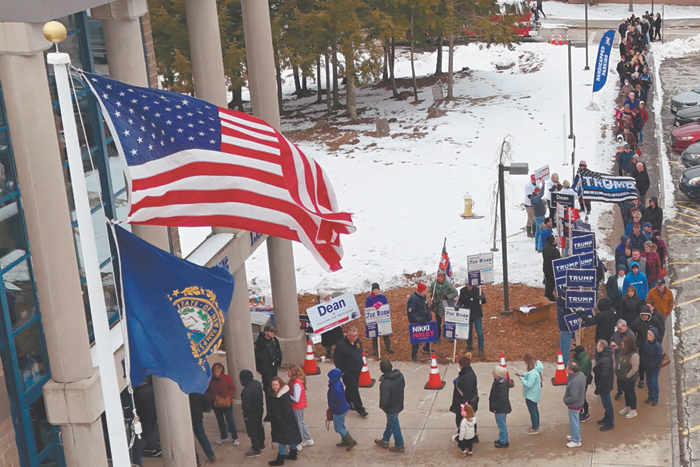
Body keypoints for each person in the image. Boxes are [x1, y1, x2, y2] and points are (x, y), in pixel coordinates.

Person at [267, 377, 302, 465]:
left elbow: (286, 410)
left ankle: (280, 459)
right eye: (273, 385)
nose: (275, 387)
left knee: (281, 440)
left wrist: (280, 421)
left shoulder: (282, 396)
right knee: (291, 437)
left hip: (282, 422)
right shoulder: (282, 394)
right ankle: (293, 454)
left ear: (280, 384)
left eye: (276, 385)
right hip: (287, 421)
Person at [333, 327, 368, 417]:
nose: (355, 337)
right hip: (348, 372)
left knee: (351, 388)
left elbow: (360, 352)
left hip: (357, 370)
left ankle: (345, 401)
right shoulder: (341, 345)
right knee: (354, 389)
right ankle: (360, 409)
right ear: (347, 335)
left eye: (356, 335)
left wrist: (361, 363)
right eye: (352, 336)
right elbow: (337, 359)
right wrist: (342, 371)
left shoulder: (357, 342)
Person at [374, 360, 405, 453]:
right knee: (391, 423)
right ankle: (385, 440)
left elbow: (384, 399)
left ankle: (399, 445)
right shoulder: (400, 376)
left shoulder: (385, 383)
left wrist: (382, 407)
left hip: (391, 407)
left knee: (394, 425)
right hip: (399, 404)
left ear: (381, 370)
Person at [205, 362, 239, 446]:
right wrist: (213, 398)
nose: (217, 374)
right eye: (215, 372)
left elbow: (232, 388)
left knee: (230, 420)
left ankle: (235, 437)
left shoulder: (226, 378)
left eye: (218, 372)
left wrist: (228, 396)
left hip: (227, 403)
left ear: (221, 371)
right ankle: (224, 436)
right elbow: (207, 390)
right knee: (220, 421)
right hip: (216, 404)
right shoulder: (210, 380)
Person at [255, 324, 282, 420]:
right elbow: (257, 355)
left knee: (275, 387)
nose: (273, 333)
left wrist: (278, 361)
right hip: (266, 370)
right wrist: (266, 360)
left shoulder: (275, 340)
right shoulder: (260, 342)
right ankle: (269, 411)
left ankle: (275, 409)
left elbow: (278, 351)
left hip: (274, 368)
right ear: (266, 332)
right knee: (268, 390)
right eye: (271, 332)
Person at [327, 368, 357, 451]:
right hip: (342, 408)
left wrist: (333, 408)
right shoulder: (338, 384)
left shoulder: (334, 388)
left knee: (338, 427)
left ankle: (350, 441)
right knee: (341, 425)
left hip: (338, 410)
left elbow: (338, 399)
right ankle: (345, 440)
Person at [240, 369, 266, 458]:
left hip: (251, 414)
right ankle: (261, 444)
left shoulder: (246, 391)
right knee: (259, 426)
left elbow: (246, 406)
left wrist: (245, 416)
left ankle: (256, 449)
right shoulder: (257, 383)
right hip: (259, 409)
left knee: (252, 431)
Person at [456, 283, 486, 356]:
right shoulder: (463, 291)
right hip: (467, 314)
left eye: (471, 284)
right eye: (468, 284)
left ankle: (481, 348)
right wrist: (458, 305)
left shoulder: (478, 290)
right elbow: (461, 301)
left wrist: (482, 298)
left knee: (479, 332)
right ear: (466, 285)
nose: (470, 286)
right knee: (468, 331)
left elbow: (484, 301)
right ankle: (469, 346)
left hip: (477, 314)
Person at [450, 355, 479, 431]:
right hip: (468, 402)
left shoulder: (466, 377)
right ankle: (473, 434)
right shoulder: (469, 373)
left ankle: (463, 436)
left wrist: (464, 405)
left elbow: (467, 393)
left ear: (462, 365)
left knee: (462, 420)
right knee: (470, 418)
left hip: (464, 404)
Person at [287, 365, 313, 448]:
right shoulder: (297, 382)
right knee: (301, 423)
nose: (287, 373)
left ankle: (303, 440)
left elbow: (296, 399)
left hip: (297, 406)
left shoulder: (296, 384)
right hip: (299, 406)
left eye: (289, 371)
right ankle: (308, 438)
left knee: (299, 424)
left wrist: (287, 395)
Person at [517, 353, 543, 434]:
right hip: (535, 395)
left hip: (531, 395)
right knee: (535, 410)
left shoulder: (532, 373)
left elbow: (528, 385)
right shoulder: (535, 370)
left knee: (532, 411)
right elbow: (530, 376)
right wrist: (524, 375)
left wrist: (521, 379)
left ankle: (534, 428)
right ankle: (536, 425)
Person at [407, 282, 432, 362]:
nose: (427, 292)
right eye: (425, 290)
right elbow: (411, 313)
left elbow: (426, 307)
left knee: (428, 335)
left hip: (425, 320)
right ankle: (413, 355)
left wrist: (429, 315)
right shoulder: (413, 299)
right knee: (416, 340)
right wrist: (418, 320)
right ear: (421, 291)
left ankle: (427, 348)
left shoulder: (423, 297)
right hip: (417, 322)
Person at [593, 340, 615, 431]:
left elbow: (604, 375)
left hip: (604, 386)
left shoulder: (604, 360)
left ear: (602, 347)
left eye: (598, 346)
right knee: (606, 403)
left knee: (607, 404)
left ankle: (609, 422)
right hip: (605, 385)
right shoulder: (605, 357)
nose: (596, 347)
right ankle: (607, 418)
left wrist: (599, 387)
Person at [366, 283, 393, 355]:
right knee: (374, 334)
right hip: (373, 319)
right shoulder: (369, 298)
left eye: (377, 290)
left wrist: (381, 306)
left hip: (382, 318)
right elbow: (367, 308)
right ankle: (375, 348)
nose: (376, 291)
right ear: (372, 290)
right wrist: (373, 307)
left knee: (385, 333)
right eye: (374, 290)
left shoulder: (383, 297)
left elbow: (386, 306)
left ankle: (388, 346)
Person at [429, 270, 458, 340]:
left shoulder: (448, 285)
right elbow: (431, 291)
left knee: (448, 320)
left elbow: (455, 293)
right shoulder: (434, 284)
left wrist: (447, 297)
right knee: (438, 321)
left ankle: (451, 336)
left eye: (441, 277)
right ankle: (438, 336)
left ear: (444, 277)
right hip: (438, 305)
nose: (439, 278)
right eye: (438, 276)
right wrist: (431, 295)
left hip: (446, 304)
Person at [611, 319, 635, 400]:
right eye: (618, 329)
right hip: (618, 357)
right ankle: (620, 390)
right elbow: (612, 338)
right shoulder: (617, 333)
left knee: (625, 375)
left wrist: (619, 348)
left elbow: (631, 348)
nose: (619, 330)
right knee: (618, 374)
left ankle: (626, 390)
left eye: (620, 328)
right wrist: (612, 343)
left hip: (626, 358)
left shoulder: (631, 335)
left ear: (625, 326)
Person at [616, 336, 640, 419]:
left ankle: (633, 410)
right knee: (626, 392)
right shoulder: (623, 351)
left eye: (624, 342)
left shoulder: (634, 355)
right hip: (622, 378)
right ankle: (627, 407)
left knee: (631, 393)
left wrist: (628, 376)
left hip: (629, 379)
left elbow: (635, 368)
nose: (622, 343)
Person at [563, 362, 586, 448]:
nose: (566, 370)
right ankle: (575, 435)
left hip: (574, 405)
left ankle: (576, 440)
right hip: (579, 403)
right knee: (575, 420)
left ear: (571, 371)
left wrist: (565, 400)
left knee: (573, 422)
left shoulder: (574, 382)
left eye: (567, 369)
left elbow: (573, 397)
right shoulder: (581, 375)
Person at [189, 393, 216, 463]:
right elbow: (207, 405)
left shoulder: (183, 394)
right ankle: (211, 455)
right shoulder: (198, 392)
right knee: (202, 436)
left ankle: (196, 459)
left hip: (187, 419)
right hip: (198, 418)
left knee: (190, 440)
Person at [489, 366, 512, 448]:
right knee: (501, 424)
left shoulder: (500, 385)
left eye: (494, 373)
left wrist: (494, 406)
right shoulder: (501, 382)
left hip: (500, 409)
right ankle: (502, 438)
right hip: (501, 408)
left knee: (501, 425)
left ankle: (504, 441)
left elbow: (502, 399)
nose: (492, 374)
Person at [318, 290, 344, 360]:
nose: (328, 297)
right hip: (326, 327)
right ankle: (328, 351)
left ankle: (339, 352)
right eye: (326, 297)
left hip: (335, 325)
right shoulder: (319, 305)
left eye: (328, 296)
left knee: (339, 339)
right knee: (328, 341)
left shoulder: (334, 302)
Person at [641, 328, 663, 407]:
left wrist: (654, 364)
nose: (648, 336)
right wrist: (643, 360)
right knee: (649, 383)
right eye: (647, 334)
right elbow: (643, 352)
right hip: (647, 367)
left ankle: (655, 398)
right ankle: (650, 396)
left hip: (654, 368)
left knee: (654, 383)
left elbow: (659, 358)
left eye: (649, 335)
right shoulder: (646, 343)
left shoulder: (657, 346)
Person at [573, 346, 593, 423]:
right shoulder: (578, 357)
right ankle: (580, 411)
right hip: (578, 380)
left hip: (584, 380)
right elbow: (573, 363)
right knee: (578, 397)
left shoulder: (586, 360)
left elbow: (579, 371)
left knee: (582, 397)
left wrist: (572, 369)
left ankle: (586, 413)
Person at [557, 290, 574, 365]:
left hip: (561, 326)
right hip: (567, 327)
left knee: (562, 345)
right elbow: (572, 313)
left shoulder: (559, 301)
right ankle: (565, 363)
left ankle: (560, 359)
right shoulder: (566, 305)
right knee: (567, 347)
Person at [542, 235, 561, 302]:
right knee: (551, 283)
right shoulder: (554, 251)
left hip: (546, 268)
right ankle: (549, 294)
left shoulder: (544, 248)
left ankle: (547, 294)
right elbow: (558, 260)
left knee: (548, 282)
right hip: (552, 269)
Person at [531, 184, 547, 250]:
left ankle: (537, 246)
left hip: (537, 216)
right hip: (539, 217)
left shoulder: (534, 198)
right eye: (539, 192)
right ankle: (540, 247)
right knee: (541, 232)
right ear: (536, 192)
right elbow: (541, 195)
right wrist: (543, 185)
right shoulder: (535, 198)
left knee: (537, 232)